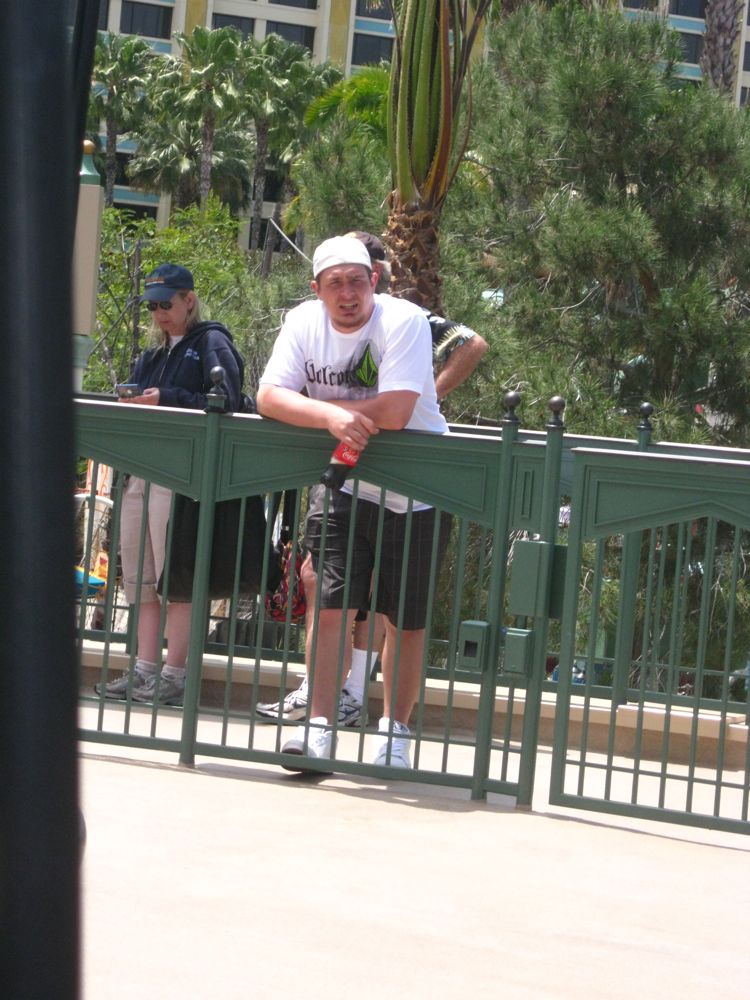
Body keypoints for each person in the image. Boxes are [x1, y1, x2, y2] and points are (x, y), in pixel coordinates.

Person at [257, 230, 487, 726]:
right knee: (328, 600)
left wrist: (326, 409)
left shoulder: (406, 318)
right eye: (335, 283)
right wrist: (333, 419)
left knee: (404, 616)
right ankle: (320, 722)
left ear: (375, 280)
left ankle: (394, 728)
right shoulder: (301, 322)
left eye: (357, 281)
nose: (347, 293)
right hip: (343, 477)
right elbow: (269, 396)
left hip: (418, 487)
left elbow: (401, 408)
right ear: (316, 288)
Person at [95, 263, 244, 706]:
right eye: (153, 305)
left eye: (167, 303)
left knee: (174, 578)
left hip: (182, 477)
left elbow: (228, 401)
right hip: (140, 474)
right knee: (138, 578)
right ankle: (143, 669)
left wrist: (168, 399)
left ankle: (176, 673)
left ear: (189, 300)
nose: (160, 312)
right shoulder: (152, 355)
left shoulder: (212, 342)